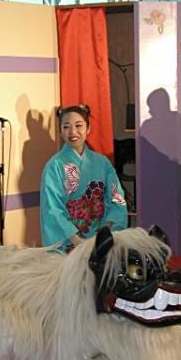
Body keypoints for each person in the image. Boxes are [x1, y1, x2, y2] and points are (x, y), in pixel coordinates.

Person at [40, 104, 128, 251]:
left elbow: (116, 197)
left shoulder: (102, 163)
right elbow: (52, 209)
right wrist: (77, 240)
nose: (73, 132)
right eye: (66, 127)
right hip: (70, 243)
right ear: (60, 132)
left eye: (78, 125)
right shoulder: (54, 166)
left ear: (88, 128)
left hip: (100, 240)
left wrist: (103, 233)